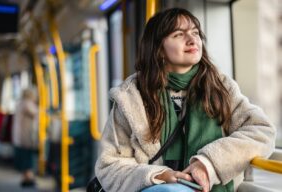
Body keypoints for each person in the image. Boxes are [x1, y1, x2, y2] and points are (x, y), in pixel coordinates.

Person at [94, 8, 276, 192]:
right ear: (158, 48)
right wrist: (158, 176)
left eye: (195, 32)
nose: (192, 39)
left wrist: (209, 164)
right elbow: (109, 166)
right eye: (179, 34)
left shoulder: (220, 87)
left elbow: (262, 130)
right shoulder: (132, 97)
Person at [12, 87, 38, 187]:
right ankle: (29, 178)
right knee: (28, 158)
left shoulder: (20, 103)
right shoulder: (27, 104)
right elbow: (37, 113)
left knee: (24, 158)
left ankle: (26, 178)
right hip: (25, 136)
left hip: (19, 136)